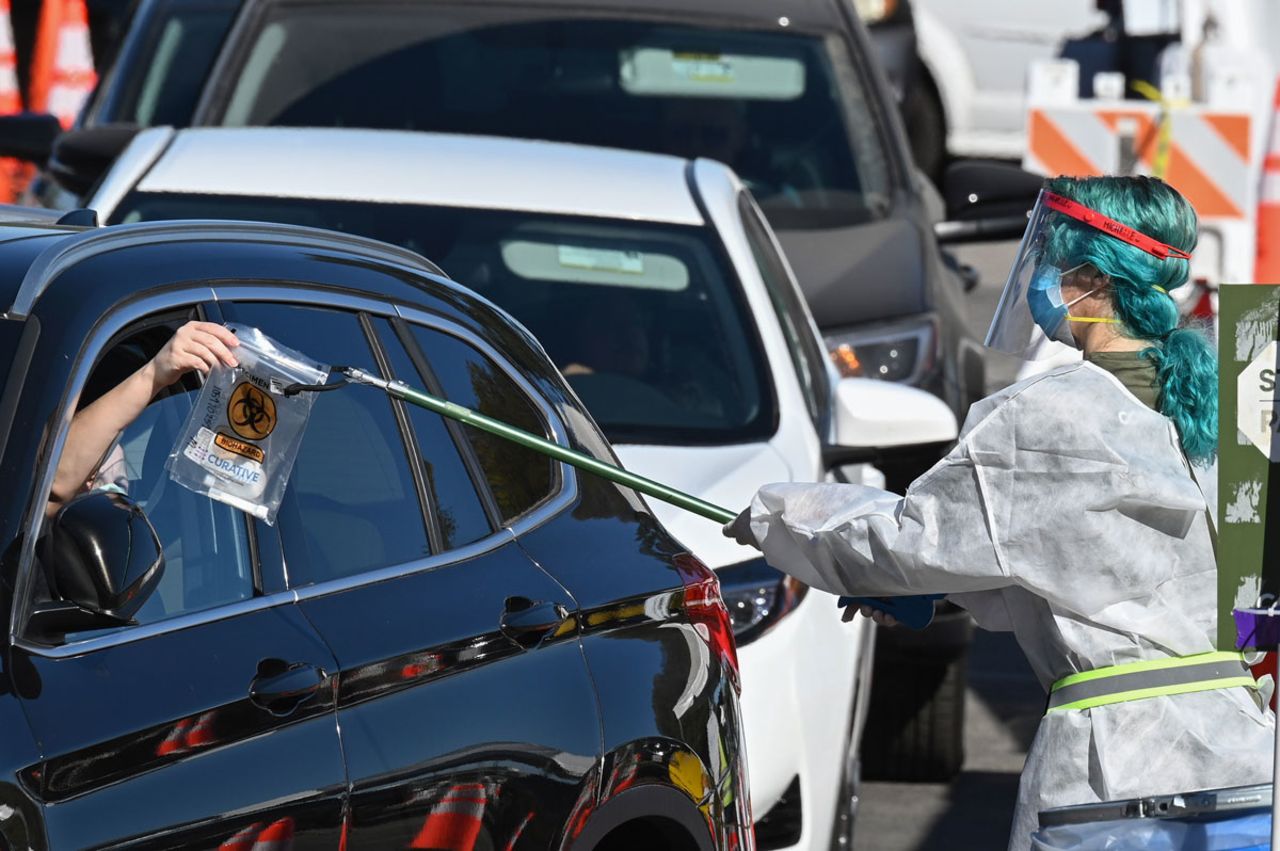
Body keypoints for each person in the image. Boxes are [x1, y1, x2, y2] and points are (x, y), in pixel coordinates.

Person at [724, 175, 1274, 848]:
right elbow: (1123, 572)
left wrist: (770, 511)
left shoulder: (1046, 417)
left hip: (1115, 789)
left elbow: (902, 544)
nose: (1037, 278)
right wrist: (947, 591)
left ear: (1092, 281)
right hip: (1246, 772)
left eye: (1049, 260)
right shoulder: (1240, 395)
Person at [48, 321, 240, 516]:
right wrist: (154, 373)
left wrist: (155, 373)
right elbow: (54, 480)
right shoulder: (34, 436)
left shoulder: (109, 457)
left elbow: (56, 482)